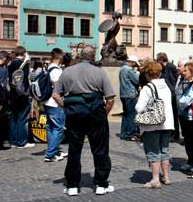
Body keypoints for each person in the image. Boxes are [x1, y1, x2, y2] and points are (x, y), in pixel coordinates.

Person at [52, 44, 116, 196]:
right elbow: (111, 98)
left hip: (75, 113)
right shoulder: (99, 72)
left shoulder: (67, 71)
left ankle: (73, 185)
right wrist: (104, 113)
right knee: (100, 149)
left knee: (74, 149)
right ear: (93, 57)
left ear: (80, 56)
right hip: (96, 113)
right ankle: (101, 184)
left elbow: (55, 95)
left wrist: (66, 108)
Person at [135, 61, 174, 188]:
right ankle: (166, 177)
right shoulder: (166, 85)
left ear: (147, 73)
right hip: (167, 123)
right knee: (165, 149)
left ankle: (155, 179)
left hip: (152, 124)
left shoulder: (147, 88)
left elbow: (139, 108)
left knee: (153, 151)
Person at [7, 46, 33, 148]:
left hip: (13, 95)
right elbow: (25, 81)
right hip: (22, 95)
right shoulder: (24, 64)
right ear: (23, 54)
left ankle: (13, 141)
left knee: (14, 119)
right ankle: (22, 142)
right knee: (22, 119)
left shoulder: (11, 64)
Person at [44, 48, 67, 162]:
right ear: (60, 57)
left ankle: (54, 149)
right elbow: (58, 88)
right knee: (58, 128)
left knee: (50, 127)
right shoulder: (57, 71)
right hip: (55, 103)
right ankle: (50, 154)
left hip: (47, 102)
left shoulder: (48, 68)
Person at [157, 53, 180, 142]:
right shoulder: (164, 68)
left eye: (158, 60)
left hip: (172, 93)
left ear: (161, 60)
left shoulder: (171, 67)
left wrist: (173, 89)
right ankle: (171, 133)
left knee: (173, 115)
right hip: (168, 93)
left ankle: (175, 134)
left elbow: (174, 79)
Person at [119, 56, 140, 141]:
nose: (135, 66)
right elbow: (137, 81)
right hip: (130, 94)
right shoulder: (129, 70)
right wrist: (137, 73)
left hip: (123, 94)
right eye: (134, 64)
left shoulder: (121, 69)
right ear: (132, 62)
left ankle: (124, 133)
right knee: (131, 114)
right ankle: (130, 134)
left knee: (125, 114)